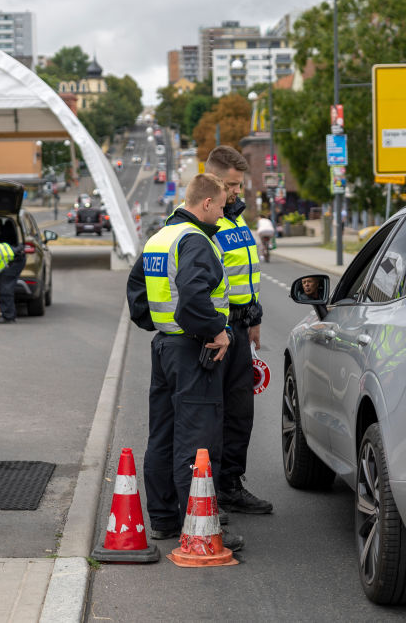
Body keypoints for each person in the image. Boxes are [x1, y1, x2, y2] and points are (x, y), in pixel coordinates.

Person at [126, 173, 244, 551]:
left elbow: (137, 294)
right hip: (193, 350)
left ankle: (162, 519)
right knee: (196, 440)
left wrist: (162, 325)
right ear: (206, 203)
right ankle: (196, 527)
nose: (223, 216)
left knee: (162, 434)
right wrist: (216, 331)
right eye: (222, 207)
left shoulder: (160, 237)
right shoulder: (195, 240)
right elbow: (194, 296)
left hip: (165, 347)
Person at [196, 146, 273, 516]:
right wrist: (218, 328)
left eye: (239, 185)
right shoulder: (205, 222)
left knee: (241, 412)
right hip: (218, 329)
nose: (235, 192)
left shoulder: (237, 219)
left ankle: (230, 485)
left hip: (242, 326)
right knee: (212, 414)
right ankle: (204, 492)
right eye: (229, 185)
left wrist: (254, 318)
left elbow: (246, 275)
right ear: (211, 181)